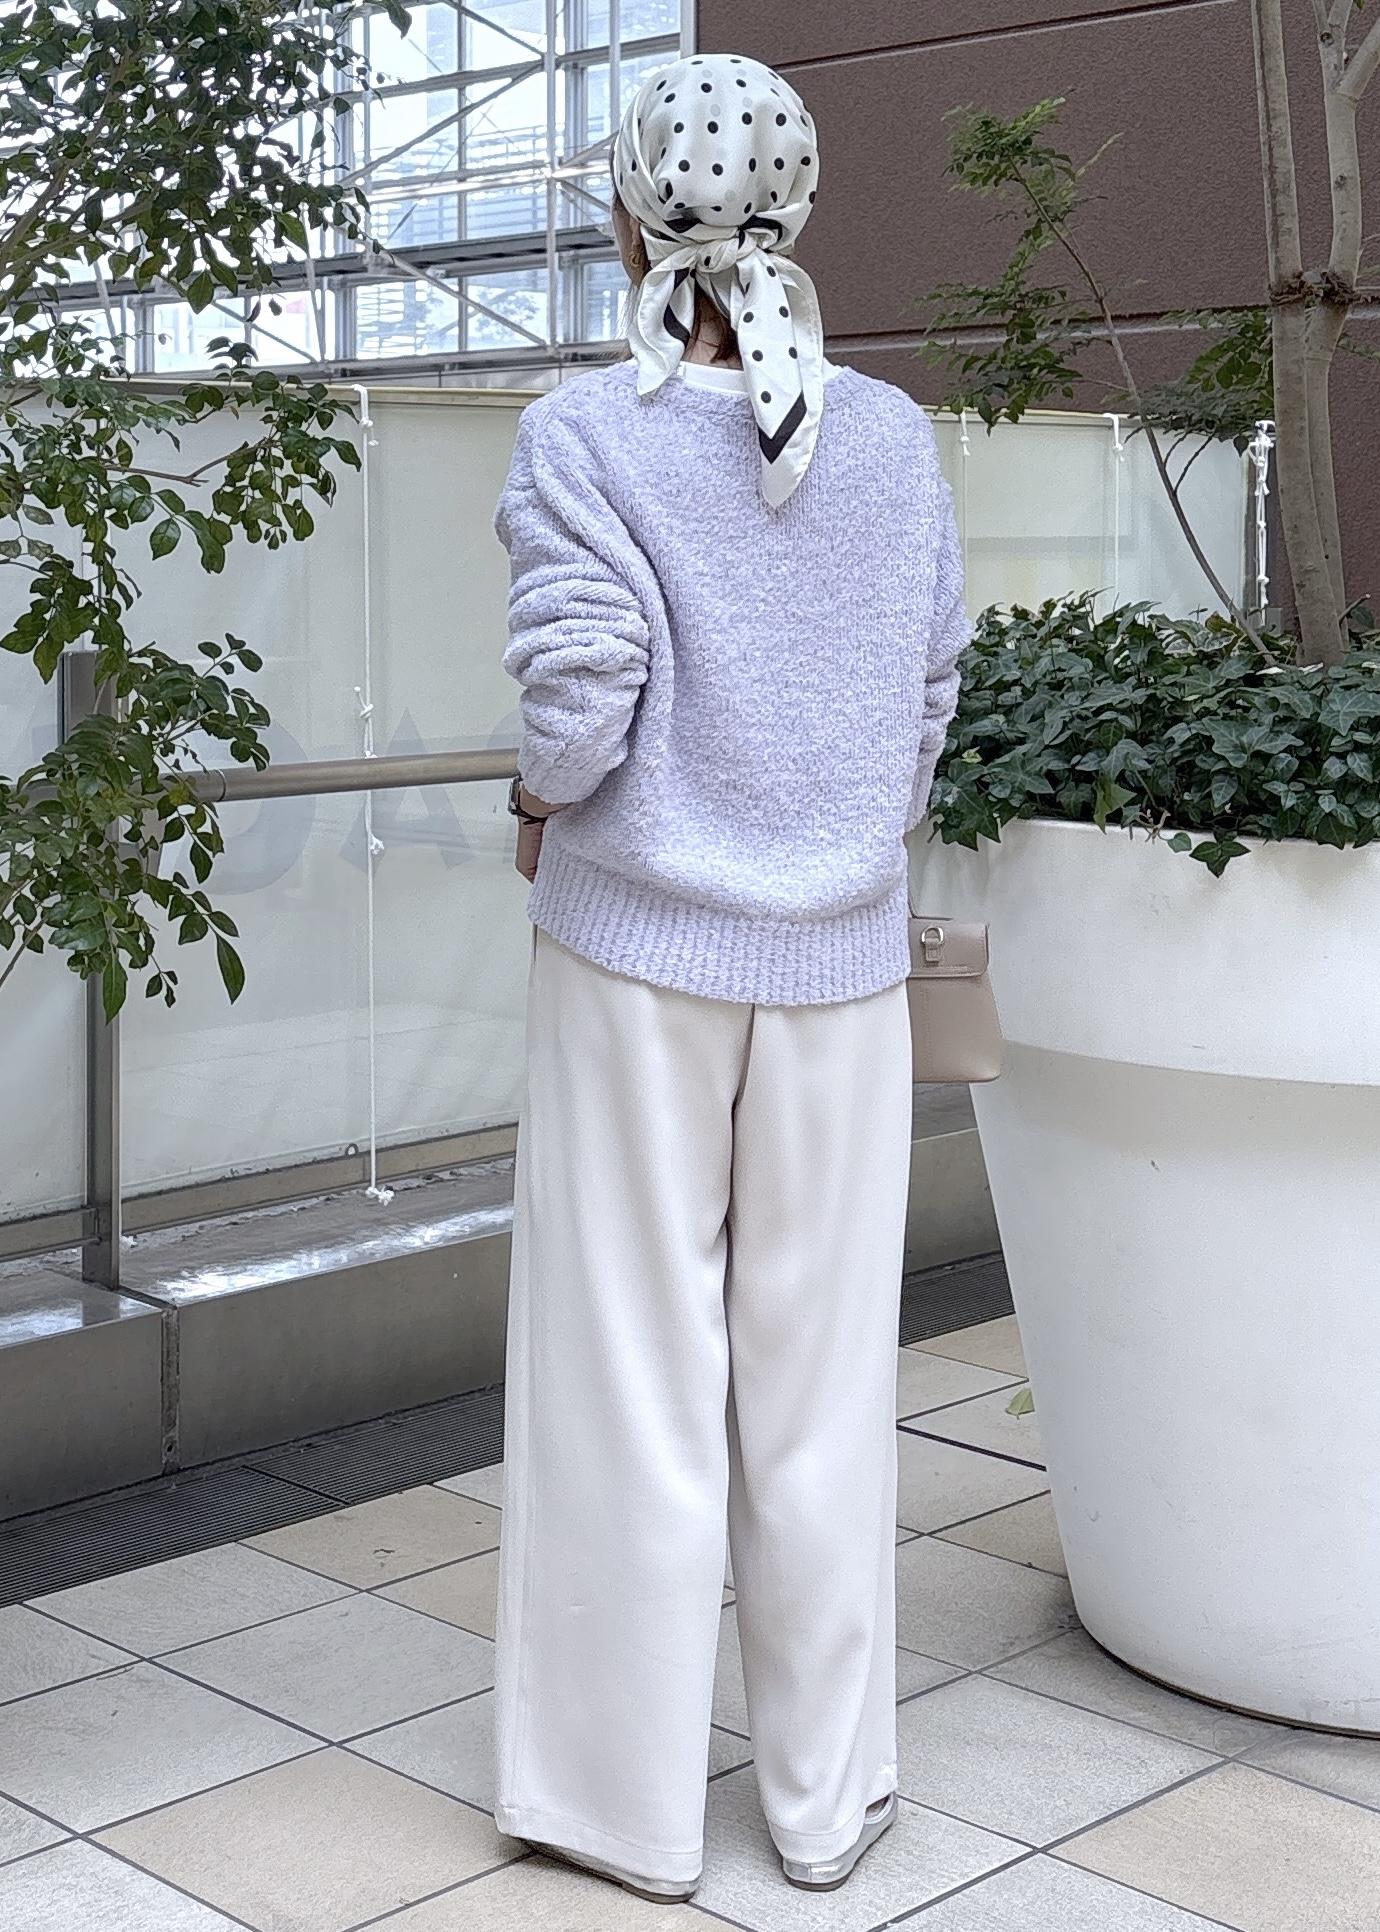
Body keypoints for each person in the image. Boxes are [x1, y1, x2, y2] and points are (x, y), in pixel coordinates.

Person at [491, 50, 967, 1904]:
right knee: (822, 1384)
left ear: (632, 214)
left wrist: (539, 803)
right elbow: (928, 695)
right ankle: (826, 1805)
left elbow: (580, 696)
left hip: (639, 958)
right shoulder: (893, 436)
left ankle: (618, 1811)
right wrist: (839, 834)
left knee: (627, 1371)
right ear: (800, 205)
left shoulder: (585, 433)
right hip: (841, 968)